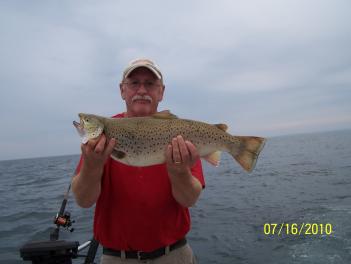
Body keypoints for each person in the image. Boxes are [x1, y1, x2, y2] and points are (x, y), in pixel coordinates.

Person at [72, 58, 205, 264]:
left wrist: (180, 172)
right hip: (117, 258)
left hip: (175, 254)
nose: (142, 90)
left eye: (150, 84)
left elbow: (189, 200)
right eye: (134, 83)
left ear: (161, 92)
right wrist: (92, 165)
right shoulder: (98, 142)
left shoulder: (180, 133)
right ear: (122, 90)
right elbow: (84, 200)